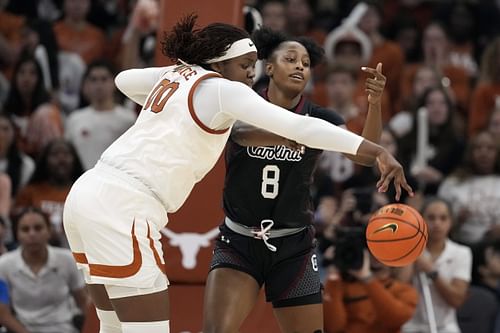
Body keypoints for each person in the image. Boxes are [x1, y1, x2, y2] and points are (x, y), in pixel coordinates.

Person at [63, 14, 412, 333]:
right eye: (246, 65)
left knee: (111, 326)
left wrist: (176, 81)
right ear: (220, 63)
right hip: (130, 207)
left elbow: (125, 80)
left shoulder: (182, 78)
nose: (251, 74)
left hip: (86, 195)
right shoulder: (223, 90)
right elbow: (300, 130)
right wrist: (380, 150)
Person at [203, 26, 387, 333]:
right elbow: (240, 134)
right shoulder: (242, 105)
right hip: (239, 241)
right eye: (291, 59)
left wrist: (375, 104)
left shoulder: (320, 117)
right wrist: (299, 132)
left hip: (294, 246)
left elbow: (365, 157)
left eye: (306, 62)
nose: (300, 65)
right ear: (270, 67)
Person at [0, 207, 88, 333]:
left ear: (49, 231)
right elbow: (3, 313)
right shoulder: (4, 264)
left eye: (38, 228)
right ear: (17, 234)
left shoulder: (67, 259)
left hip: (64, 329)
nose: (32, 234)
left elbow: (83, 302)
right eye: (25, 229)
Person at [401, 197, 472, 333]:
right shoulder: (411, 249)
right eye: (431, 218)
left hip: (446, 327)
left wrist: (431, 270)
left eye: (443, 218)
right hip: (411, 326)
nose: (437, 223)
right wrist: (412, 249)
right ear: (422, 221)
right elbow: (400, 286)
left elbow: (456, 300)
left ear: (451, 222)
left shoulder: (462, 253)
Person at [323, 250, 418, 333]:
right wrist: (333, 275)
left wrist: (367, 279)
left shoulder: (405, 291)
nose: (375, 257)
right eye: (370, 250)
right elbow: (332, 327)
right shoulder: (341, 286)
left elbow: (395, 319)